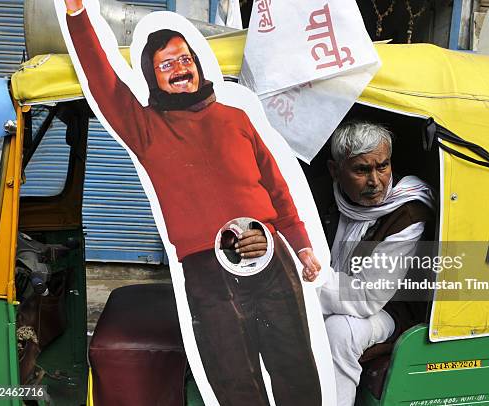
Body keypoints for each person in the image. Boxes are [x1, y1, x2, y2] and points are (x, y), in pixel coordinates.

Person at [62, 1, 322, 405]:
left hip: (268, 258)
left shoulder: (237, 118)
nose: (181, 69)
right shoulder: (145, 127)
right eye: (167, 66)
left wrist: (302, 247)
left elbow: (277, 190)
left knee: (298, 372)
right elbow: (103, 79)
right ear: (153, 77)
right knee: (234, 382)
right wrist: (77, 14)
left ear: (198, 64)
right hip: (207, 274)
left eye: (185, 59)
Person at [318, 122, 434, 406]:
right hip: (333, 293)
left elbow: (366, 298)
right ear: (335, 171)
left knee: (340, 332)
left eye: (382, 167)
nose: (375, 181)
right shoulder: (326, 197)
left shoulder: (408, 212)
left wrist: (304, 288)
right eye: (361, 170)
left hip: (390, 311)